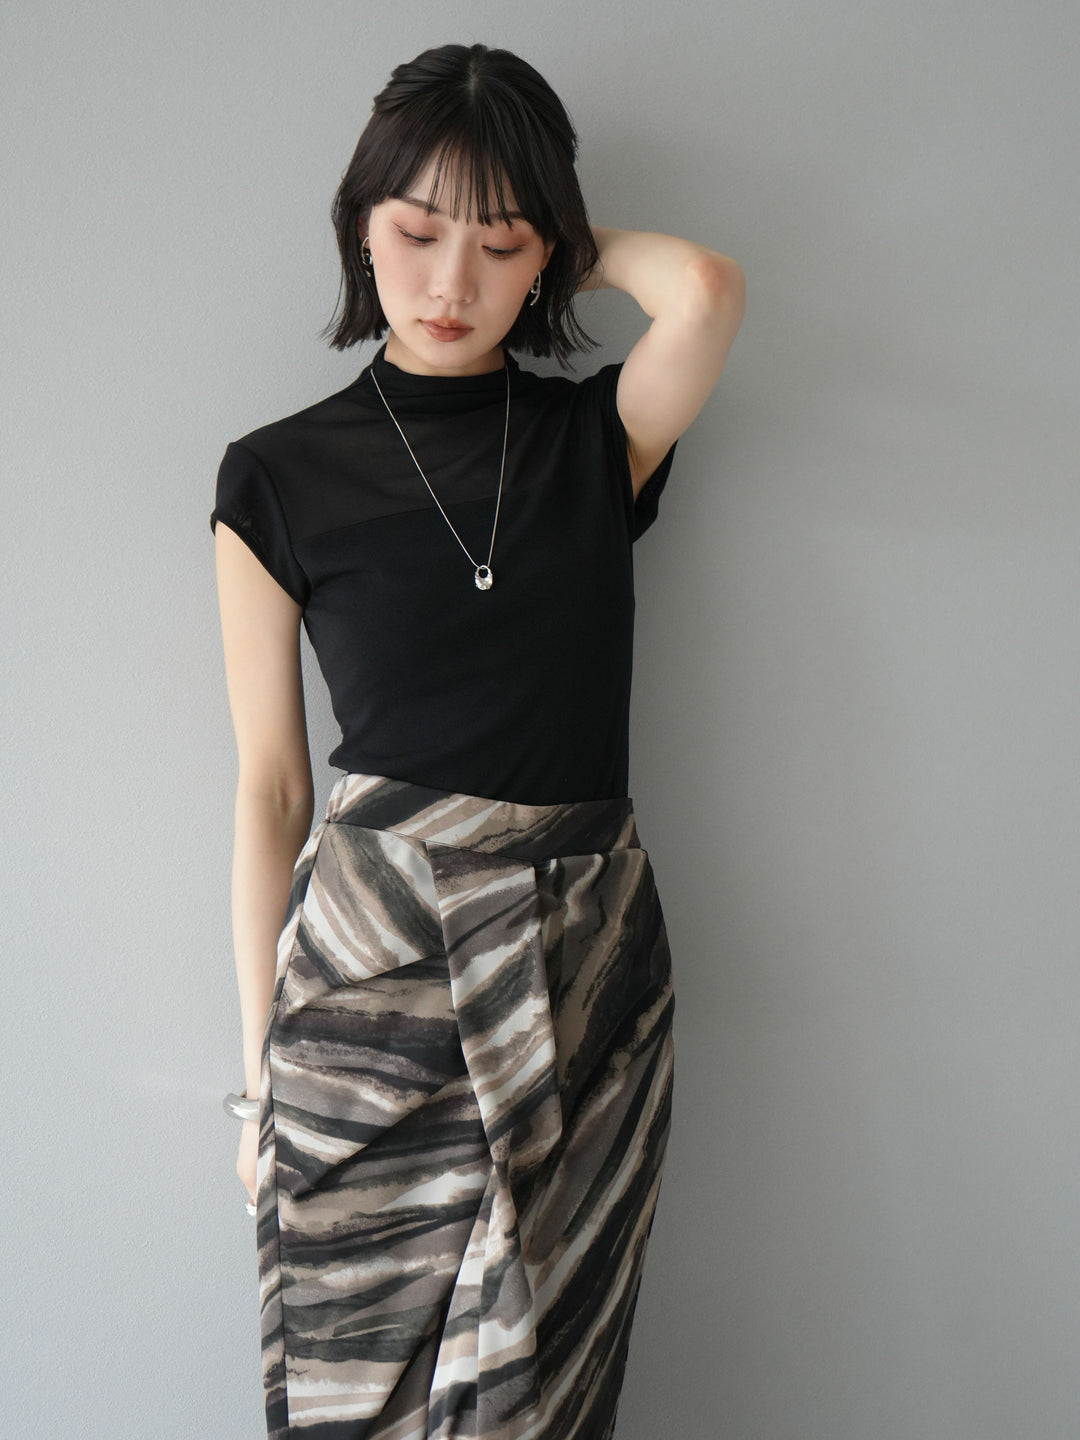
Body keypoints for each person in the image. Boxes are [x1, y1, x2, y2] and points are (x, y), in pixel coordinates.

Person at [211, 41, 744, 1440]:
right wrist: (258, 1086)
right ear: (360, 229)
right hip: (369, 977)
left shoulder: (593, 440)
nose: (451, 282)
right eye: (416, 232)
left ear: (547, 256)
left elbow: (703, 291)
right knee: (356, 1389)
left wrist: (553, 244)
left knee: (546, 1393)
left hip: (586, 961)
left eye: (499, 246)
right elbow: (271, 790)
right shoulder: (277, 475)